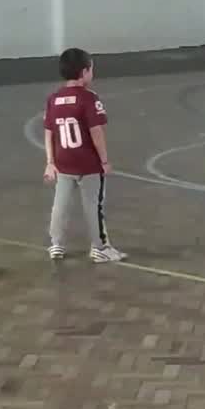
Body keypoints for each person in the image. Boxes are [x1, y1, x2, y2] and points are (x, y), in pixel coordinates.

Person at [43, 48, 126, 263]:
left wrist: (50, 162)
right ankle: (100, 247)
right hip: (87, 163)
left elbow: (49, 132)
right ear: (85, 72)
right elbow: (96, 131)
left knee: (59, 204)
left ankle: (56, 244)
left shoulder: (53, 99)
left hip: (63, 163)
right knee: (93, 205)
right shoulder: (89, 98)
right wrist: (104, 160)